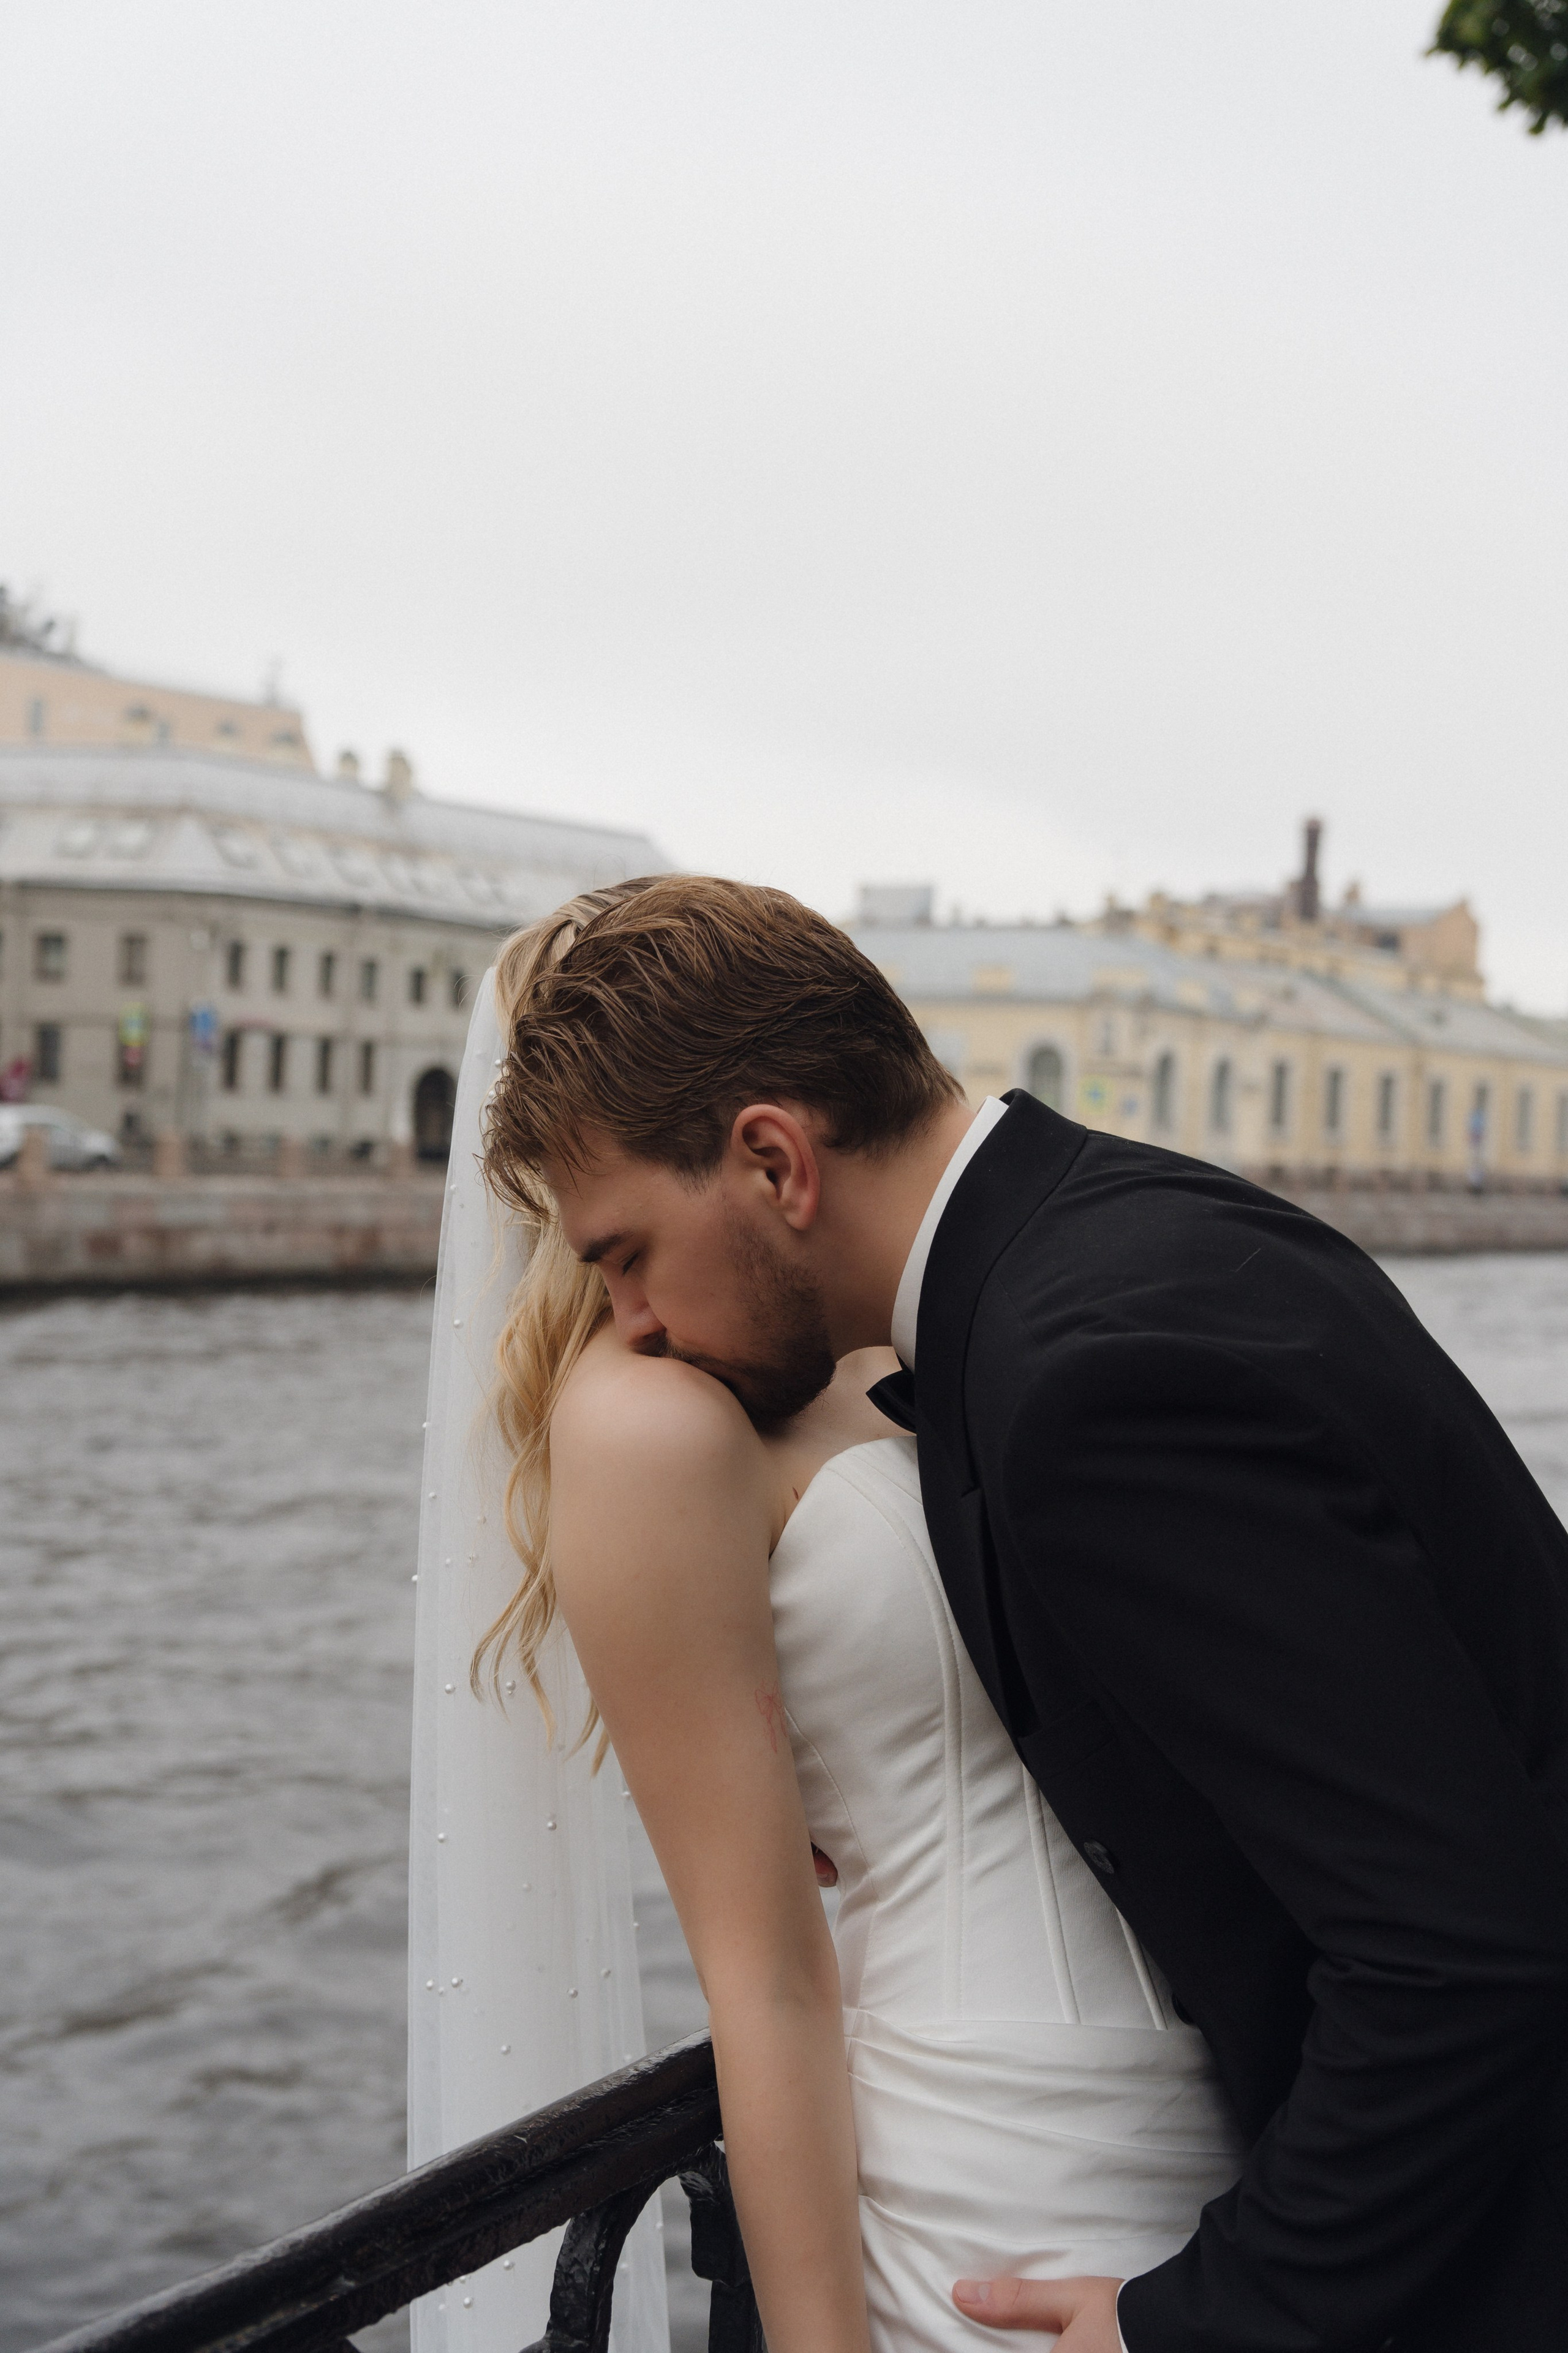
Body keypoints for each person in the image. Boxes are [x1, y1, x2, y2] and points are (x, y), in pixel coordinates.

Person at [481, 873, 1568, 2353]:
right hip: (1107, 2142)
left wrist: (1200, 2323)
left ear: (772, 1160)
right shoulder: (1145, 1228)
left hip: (1346, 2221)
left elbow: (1454, 1947)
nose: (629, 1318)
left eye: (621, 1254)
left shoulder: (1079, 1384)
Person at [441, 885, 1244, 2353]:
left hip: (1230, 2095)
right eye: (600, 1251)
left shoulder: (893, 1323)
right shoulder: (645, 1425)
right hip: (985, 2147)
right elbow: (762, 1971)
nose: (629, 1306)